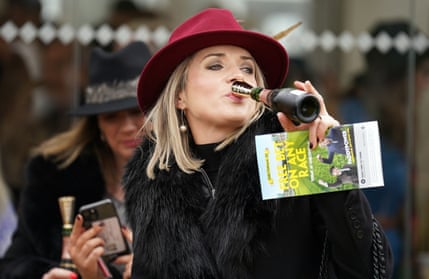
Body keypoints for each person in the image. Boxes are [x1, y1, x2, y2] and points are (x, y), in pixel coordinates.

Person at [123, 8, 393, 278]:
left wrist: (332, 156)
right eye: (215, 65)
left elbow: (367, 269)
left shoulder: (292, 156)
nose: (237, 76)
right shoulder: (153, 185)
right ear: (179, 95)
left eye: (247, 68)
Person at [0, 41, 151, 279]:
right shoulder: (55, 177)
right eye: (111, 117)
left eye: (136, 112)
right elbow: (14, 263)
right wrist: (48, 275)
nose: (127, 127)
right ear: (98, 124)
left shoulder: (188, 178)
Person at [338, 20, 429, 277]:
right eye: (425, 72)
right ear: (399, 74)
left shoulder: (395, 122)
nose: (427, 83)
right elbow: (338, 207)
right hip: (362, 259)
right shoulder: (352, 119)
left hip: (389, 254)